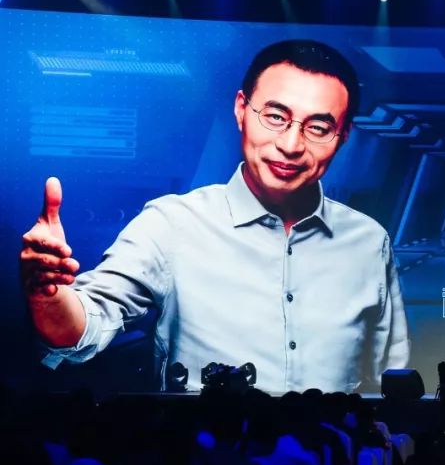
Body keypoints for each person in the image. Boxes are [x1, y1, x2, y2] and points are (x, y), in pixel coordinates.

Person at [19, 40, 409, 392]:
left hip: (335, 448)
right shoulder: (171, 224)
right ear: (241, 109)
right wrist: (48, 298)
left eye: (319, 127)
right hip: (210, 449)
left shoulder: (369, 242)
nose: (291, 145)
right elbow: (83, 330)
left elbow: (390, 376)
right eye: (275, 117)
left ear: (343, 136)